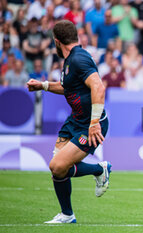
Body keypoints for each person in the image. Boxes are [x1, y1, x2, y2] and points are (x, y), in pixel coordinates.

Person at [26, 20, 111, 224]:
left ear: (56, 41)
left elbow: (98, 88)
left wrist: (93, 123)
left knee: (57, 166)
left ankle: (99, 171)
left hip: (90, 124)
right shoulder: (71, 59)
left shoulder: (79, 59)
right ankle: (67, 214)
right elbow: (68, 87)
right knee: (59, 168)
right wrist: (44, 85)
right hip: (75, 120)